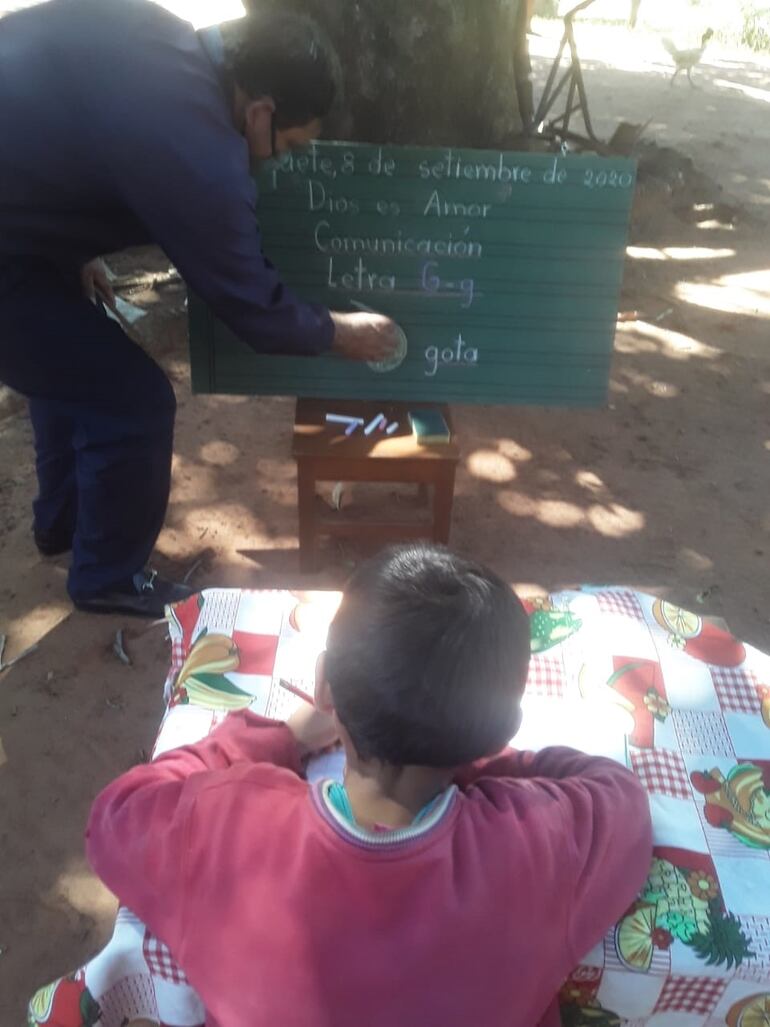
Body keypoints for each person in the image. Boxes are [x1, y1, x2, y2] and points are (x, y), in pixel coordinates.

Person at [86, 543, 653, 1027]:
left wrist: (283, 735)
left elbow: (117, 813)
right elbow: (620, 796)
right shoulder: (539, 846)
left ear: (326, 690)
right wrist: (473, 752)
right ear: (495, 730)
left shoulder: (226, 830)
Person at [0, 0, 399, 617]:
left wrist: (67, 245)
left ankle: (65, 527)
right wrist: (339, 331)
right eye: (288, 144)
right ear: (260, 110)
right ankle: (106, 576)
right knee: (132, 400)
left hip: (20, 225)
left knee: (69, 363)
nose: (279, 160)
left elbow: (64, 125)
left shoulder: (160, 35)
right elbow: (251, 307)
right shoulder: (199, 149)